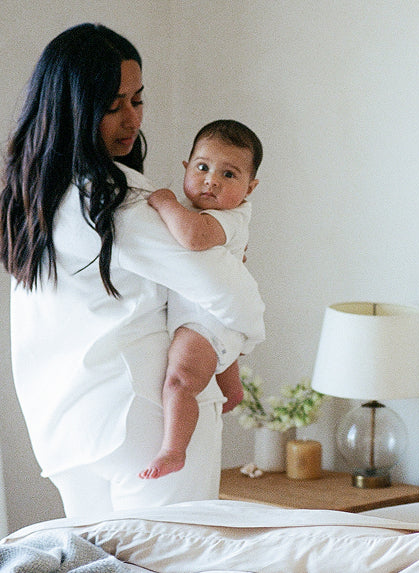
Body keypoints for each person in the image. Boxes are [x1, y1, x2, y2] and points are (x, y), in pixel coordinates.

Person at [0, 23, 265, 519]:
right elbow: (234, 300)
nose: (132, 119)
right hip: (147, 418)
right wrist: (236, 322)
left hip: (67, 428)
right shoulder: (117, 201)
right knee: (175, 557)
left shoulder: (34, 195)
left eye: (137, 100)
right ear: (72, 109)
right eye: (112, 105)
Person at [137, 120, 263, 480]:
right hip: (216, 316)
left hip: (205, 318)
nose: (211, 180)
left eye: (229, 174)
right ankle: (232, 388)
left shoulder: (231, 218)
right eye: (203, 167)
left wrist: (163, 202)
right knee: (214, 355)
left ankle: (173, 450)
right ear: (186, 168)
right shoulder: (199, 208)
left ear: (249, 188)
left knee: (180, 380)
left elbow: (192, 237)